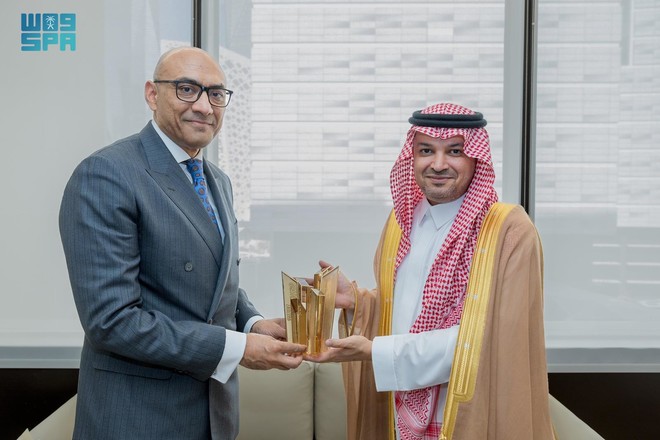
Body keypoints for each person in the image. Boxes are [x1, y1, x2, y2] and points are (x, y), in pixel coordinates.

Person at [59, 47, 306, 440]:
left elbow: (212, 280)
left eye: (216, 94)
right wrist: (238, 347)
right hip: (138, 420)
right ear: (152, 94)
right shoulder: (106, 174)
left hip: (214, 416)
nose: (205, 107)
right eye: (187, 89)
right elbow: (112, 321)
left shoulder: (217, 180)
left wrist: (253, 323)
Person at [306, 103, 555, 440]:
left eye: (454, 151)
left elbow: (492, 339)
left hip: (471, 412)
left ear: (476, 158)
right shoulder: (401, 222)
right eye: (426, 150)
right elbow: (406, 310)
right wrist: (359, 302)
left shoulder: (508, 232)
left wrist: (378, 351)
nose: (438, 164)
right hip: (400, 410)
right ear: (412, 156)